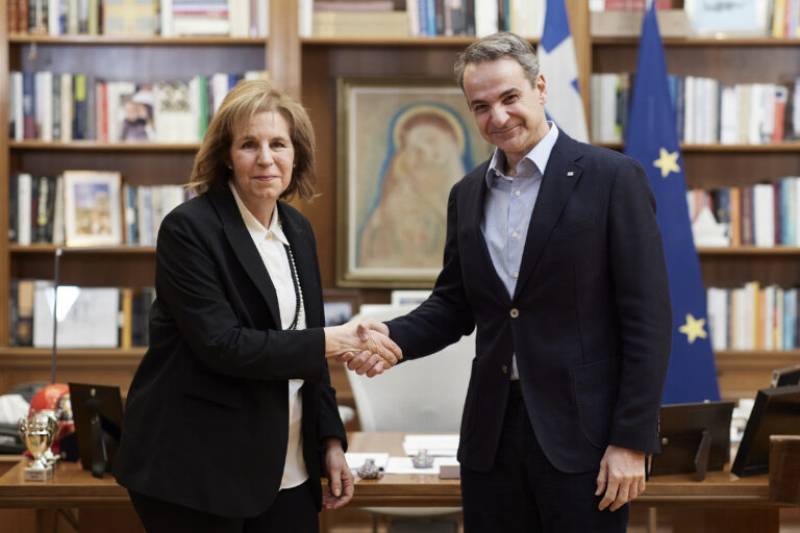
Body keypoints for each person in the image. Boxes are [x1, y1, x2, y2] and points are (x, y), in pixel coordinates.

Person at [349, 32, 672, 532]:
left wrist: (631, 441)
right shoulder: (466, 193)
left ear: (540, 88)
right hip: (491, 437)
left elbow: (648, 320)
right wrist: (390, 338)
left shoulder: (613, 179)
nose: (497, 117)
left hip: (584, 441)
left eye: (509, 98)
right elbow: (454, 305)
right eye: (481, 106)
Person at [113, 79, 402, 533]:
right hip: (197, 471)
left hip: (289, 465)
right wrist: (332, 340)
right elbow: (223, 345)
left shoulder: (297, 230)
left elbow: (310, 350)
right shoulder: (188, 230)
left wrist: (329, 440)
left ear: (296, 155)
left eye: (278, 144)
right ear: (227, 155)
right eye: (249, 144)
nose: (266, 158)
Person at [358, 104, 470, 269]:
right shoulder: (395, 203)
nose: (424, 151)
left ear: (450, 146)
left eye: (430, 141)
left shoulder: (466, 200)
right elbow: (372, 260)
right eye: (414, 147)